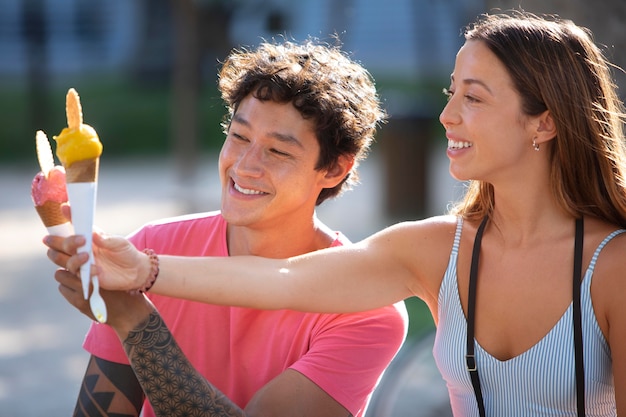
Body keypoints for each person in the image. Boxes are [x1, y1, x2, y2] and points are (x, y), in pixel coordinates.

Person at [48, 10, 626, 416]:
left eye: (473, 97)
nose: (447, 115)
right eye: (451, 92)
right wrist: (144, 271)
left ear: (544, 122)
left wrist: (137, 301)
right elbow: (289, 277)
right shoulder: (432, 248)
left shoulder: (613, 265)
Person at [47, 38, 409, 417]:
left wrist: (135, 322)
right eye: (239, 136)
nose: (245, 166)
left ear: (334, 169)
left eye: (279, 151)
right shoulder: (151, 247)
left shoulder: (365, 307)